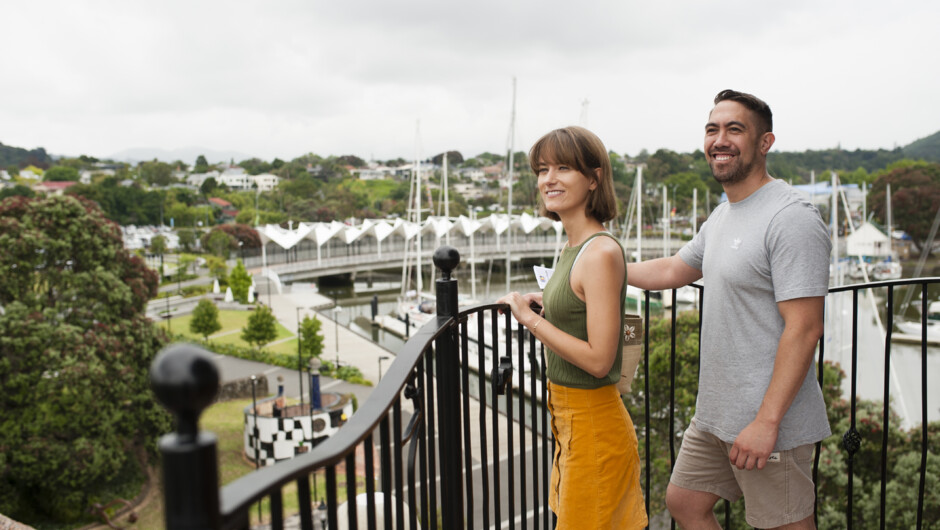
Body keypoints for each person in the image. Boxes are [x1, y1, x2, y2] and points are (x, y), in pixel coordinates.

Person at [628, 90, 831, 529]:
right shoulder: (724, 215)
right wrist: (601, 266)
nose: (719, 140)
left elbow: (805, 328)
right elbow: (672, 269)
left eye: (734, 129)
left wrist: (766, 422)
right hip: (716, 416)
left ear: (764, 142)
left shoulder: (790, 216)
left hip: (769, 421)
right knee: (684, 503)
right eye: (712, 129)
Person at [498, 126, 648, 529]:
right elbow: (582, 307)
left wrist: (527, 318)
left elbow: (600, 360)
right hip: (570, 426)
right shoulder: (573, 248)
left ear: (594, 178)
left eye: (564, 167)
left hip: (593, 427)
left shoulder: (599, 252)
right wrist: (548, 303)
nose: (549, 178)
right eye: (543, 169)